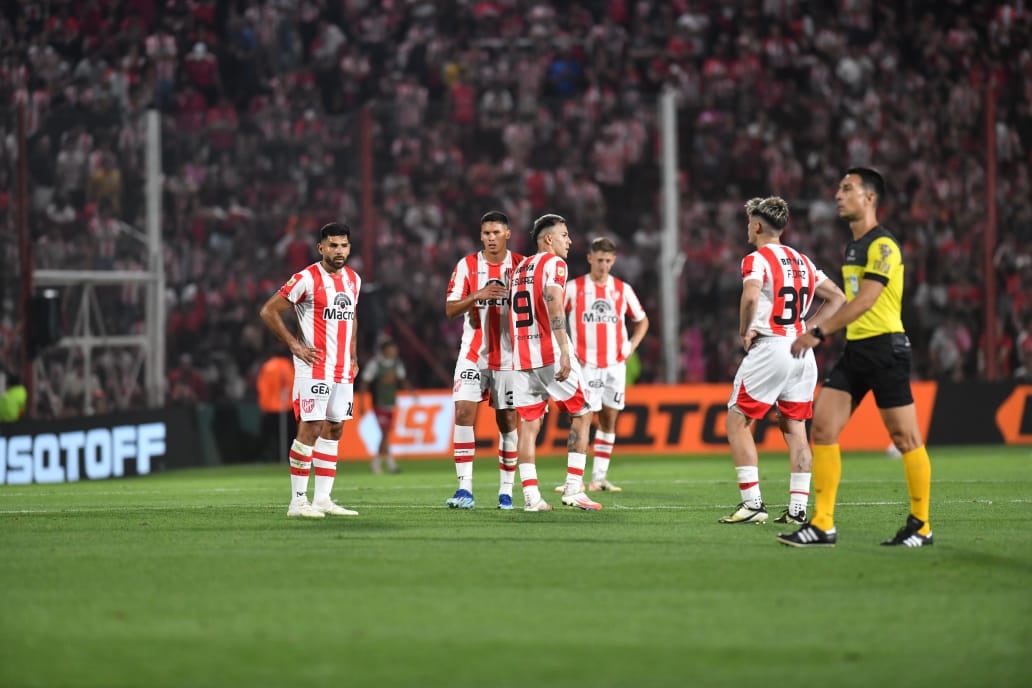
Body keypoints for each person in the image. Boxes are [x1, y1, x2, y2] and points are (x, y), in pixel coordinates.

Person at [778, 167, 935, 548]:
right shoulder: (853, 247)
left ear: (869, 198)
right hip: (858, 350)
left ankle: (921, 525)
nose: (838, 195)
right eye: (838, 189)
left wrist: (818, 332)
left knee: (905, 437)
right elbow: (851, 302)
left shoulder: (883, 245)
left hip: (886, 350)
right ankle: (822, 524)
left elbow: (866, 300)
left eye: (847, 189)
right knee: (823, 429)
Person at [718, 197, 845, 526]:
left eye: (749, 223)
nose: (748, 228)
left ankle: (753, 504)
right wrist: (812, 330)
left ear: (757, 226)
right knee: (796, 429)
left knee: (737, 422)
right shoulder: (802, 261)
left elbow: (749, 295)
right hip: (803, 352)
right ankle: (798, 510)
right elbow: (839, 298)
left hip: (771, 346)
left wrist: (744, 331)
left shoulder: (756, 259)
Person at [258, 222, 361, 519]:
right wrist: (294, 345)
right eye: (333, 245)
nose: (338, 251)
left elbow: (352, 316)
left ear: (349, 248)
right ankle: (297, 502)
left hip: (342, 369)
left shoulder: (354, 280)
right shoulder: (306, 278)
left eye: (343, 245)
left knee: (334, 428)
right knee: (311, 428)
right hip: (314, 367)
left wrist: (353, 355)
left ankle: (323, 499)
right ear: (321, 248)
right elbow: (268, 310)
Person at [509, 213, 602, 512]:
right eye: (564, 235)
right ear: (548, 239)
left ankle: (531, 497)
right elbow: (553, 300)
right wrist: (564, 348)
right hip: (548, 352)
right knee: (583, 412)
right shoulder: (555, 264)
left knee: (529, 425)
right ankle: (574, 488)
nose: (569, 241)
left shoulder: (519, 267)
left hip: (522, 357)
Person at [552, 236, 649, 495]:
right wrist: (564, 349)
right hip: (586, 365)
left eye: (608, 261)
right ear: (590, 258)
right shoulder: (573, 288)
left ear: (613, 260)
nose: (604, 265)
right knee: (581, 420)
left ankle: (599, 478)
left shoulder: (622, 289)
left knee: (609, 420)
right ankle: (574, 479)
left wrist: (631, 345)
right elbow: (556, 316)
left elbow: (642, 320)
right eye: (600, 260)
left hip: (615, 365)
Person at [443, 211, 524, 510]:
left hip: (509, 358)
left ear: (507, 234)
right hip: (472, 354)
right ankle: (464, 489)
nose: (491, 238)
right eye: (486, 233)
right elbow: (450, 309)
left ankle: (506, 491)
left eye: (496, 232)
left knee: (507, 421)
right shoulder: (466, 266)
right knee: (464, 412)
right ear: (481, 236)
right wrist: (478, 294)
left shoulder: (521, 266)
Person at [358, 338, 411, 474]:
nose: (394, 352)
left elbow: (402, 379)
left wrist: (412, 392)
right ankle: (386, 463)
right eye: (392, 350)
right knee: (384, 432)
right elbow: (364, 382)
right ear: (385, 351)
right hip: (378, 403)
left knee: (386, 433)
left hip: (391, 402)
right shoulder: (375, 364)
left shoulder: (396, 363)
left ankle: (380, 462)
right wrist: (362, 403)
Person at [256, 354, 296, 463]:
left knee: (269, 436)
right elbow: (292, 384)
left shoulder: (267, 366)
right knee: (289, 435)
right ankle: (288, 457)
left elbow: (263, 387)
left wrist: (263, 404)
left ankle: (269, 457)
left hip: (270, 408)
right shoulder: (287, 365)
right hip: (287, 406)